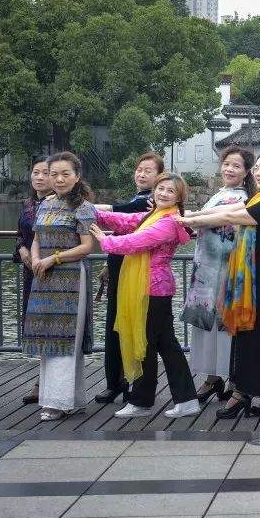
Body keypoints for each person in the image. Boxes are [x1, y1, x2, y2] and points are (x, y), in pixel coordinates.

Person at [179, 151, 260, 419]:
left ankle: (245, 393)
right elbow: (227, 209)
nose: (258, 173)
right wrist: (192, 214)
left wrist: (190, 221)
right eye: (256, 168)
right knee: (258, 335)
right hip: (256, 274)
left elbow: (233, 217)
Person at [92, 173, 198, 419]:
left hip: (153, 289)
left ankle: (143, 400)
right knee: (163, 344)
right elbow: (126, 220)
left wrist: (104, 240)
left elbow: (136, 242)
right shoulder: (153, 215)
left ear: (178, 197)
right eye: (160, 188)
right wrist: (93, 212)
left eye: (170, 191)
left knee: (147, 343)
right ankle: (184, 399)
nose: (163, 194)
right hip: (151, 289)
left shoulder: (168, 222)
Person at [22, 152, 96, 421]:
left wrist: (54, 258)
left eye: (66, 174)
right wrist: (36, 257)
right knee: (47, 339)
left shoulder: (83, 207)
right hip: (44, 277)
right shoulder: (45, 203)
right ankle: (55, 398)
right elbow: (37, 237)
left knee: (66, 341)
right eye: (54, 174)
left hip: (70, 278)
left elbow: (87, 246)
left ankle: (61, 401)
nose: (59, 179)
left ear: (77, 176)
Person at [180, 147, 254, 404]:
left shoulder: (243, 198)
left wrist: (189, 217)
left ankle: (230, 376)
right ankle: (212, 377)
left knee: (224, 323)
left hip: (226, 268)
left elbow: (213, 220)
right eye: (226, 164)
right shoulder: (219, 194)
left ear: (246, 172)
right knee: (206, 322)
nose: (229, 169)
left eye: (236, 166)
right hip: (206, 267)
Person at [92, 152, 163, 404]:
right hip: (118, 264)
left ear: (159, 177)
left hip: (136, 269)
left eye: (148, 171)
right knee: (114, 325)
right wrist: (107, 264)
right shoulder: (138, 198)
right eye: (139, 169)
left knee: (134, 327)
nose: (141, 174)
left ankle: (133, 382)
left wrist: (83, 206)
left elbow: (121, 213)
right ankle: (115, 381)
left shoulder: (149, 203)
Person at [14, 155, 52, 406]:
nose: (39, 177)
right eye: (36, 172)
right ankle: (42, 380)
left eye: (45, 173)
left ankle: (49, 383)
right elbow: (20, 234)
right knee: (38, 326)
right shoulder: (28, 204)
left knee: (54, 326)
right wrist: (22, 250)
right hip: (31, 271)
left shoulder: (60, 204)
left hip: (54, 270)